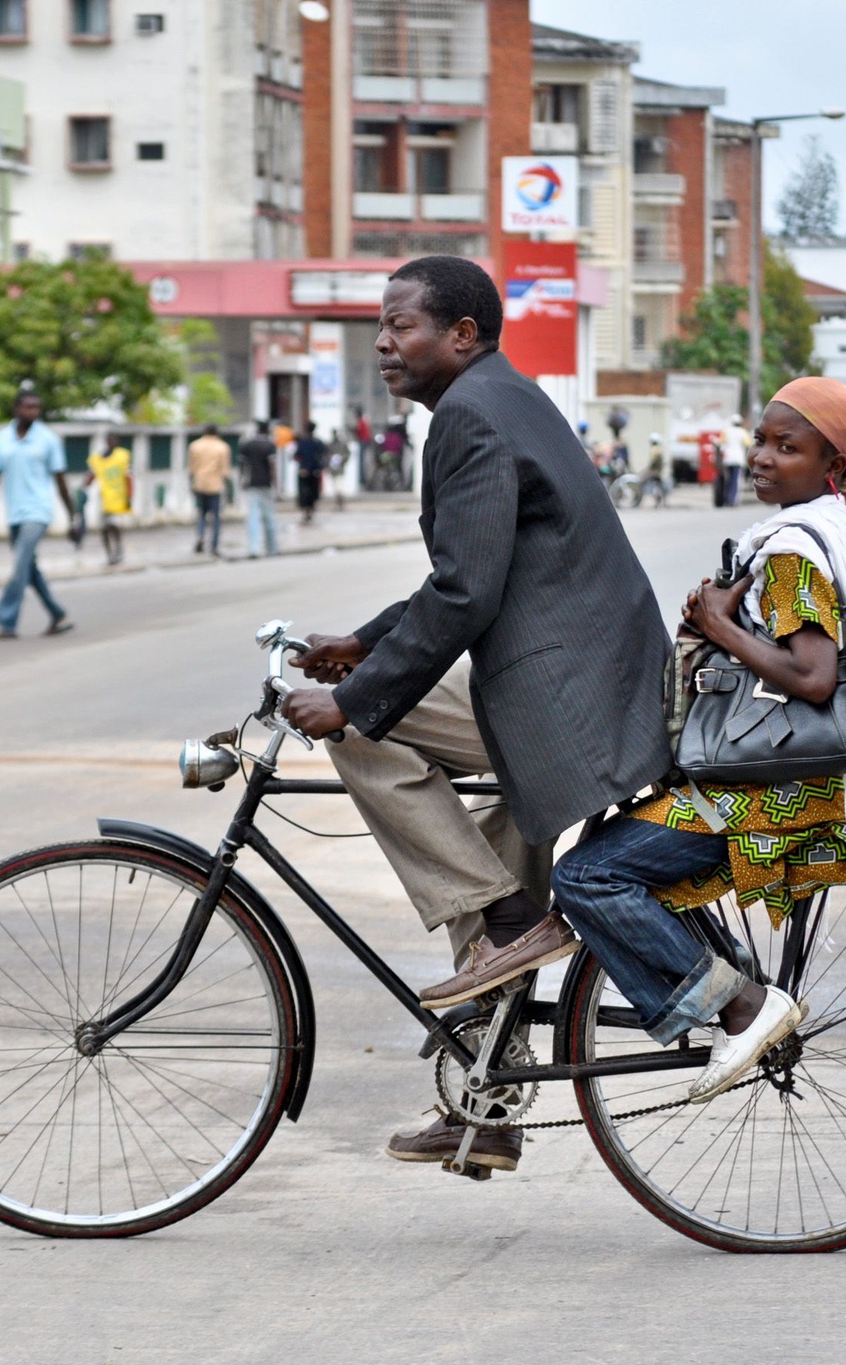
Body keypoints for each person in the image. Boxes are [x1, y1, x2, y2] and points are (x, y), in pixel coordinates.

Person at [277, 256, 671, 1173]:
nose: (383, 341)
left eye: (401, 324)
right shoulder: (499, 396)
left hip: (568, 699)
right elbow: (469, 567)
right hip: (578, 679)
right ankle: (486, 1104)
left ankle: (502, 918)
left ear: (461, 334)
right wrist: (366, 644)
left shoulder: (470, 416)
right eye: (381, 325)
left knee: (371, 730)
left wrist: (349, 697)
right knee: (485, 851)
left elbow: (464, 593)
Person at [553, 377, 846, 1102]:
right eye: (761, 440)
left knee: (587, 875)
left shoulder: (797, 548)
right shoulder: (821, 531)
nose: (762, 456)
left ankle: (740, 1006)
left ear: (831, 462)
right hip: (791, 777)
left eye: (785, 446)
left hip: (770, 793)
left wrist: (718, 628)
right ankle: (733, 988)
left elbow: (815, 675)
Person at [0, 389, 75, 641]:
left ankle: (7, 620)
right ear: (16, 409)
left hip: (38, 512)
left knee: (20, 564)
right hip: (15, 515)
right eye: (28, 407)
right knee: (29, 569)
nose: (33, 412)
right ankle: (57, 614)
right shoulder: (1, 440)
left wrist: (73, 517)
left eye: (36, 408)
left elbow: (61, 481)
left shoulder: (48, 439)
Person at [84, 433, 133, 566]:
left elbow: (128, 477)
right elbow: (91, 474)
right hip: (104, 498)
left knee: (114, 525)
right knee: (104, 528)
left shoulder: (122, 457)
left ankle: (118, 549)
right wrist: (86, 483)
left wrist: (129, 495)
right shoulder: (99, 458)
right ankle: (109, 553)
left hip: (118, 498)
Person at [186, 422, 231, 555]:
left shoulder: (195, 446)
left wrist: (191, 484)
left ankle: (200, 536)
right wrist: (229, 489)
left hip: (199, 483)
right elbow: (225, 471)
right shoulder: (222, 447)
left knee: (201, 514)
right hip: (215, 485)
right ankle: (214, 545)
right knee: (216, 517)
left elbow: (191, 469)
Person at [237, 421, 280, 555]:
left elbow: (242, 465)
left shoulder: (247, 444)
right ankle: (272, 549)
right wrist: (277, 486)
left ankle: (253, 549)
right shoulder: (269, 445)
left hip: (251, 484)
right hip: (266, 484)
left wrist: (242, 480)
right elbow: (272, 467)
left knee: (253, 517)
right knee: (269, 517)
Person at [293, 425, 328, 525]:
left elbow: (296, 455)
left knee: (306, 492)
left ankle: (308, 512)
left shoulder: (303, 442)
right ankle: (309, 511)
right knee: (312, 492)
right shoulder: (317, 442)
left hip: (306, 471)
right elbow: (324, 454)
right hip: (314, 470)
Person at [720, 412, 750, 508]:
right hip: (738, 459)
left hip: (728, 459)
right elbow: (748, 444)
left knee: (728, 480)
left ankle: (727, 499)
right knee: (735, 480)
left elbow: (721, 444)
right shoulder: (742, 432)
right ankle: (732, 500)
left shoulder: (726, 431)